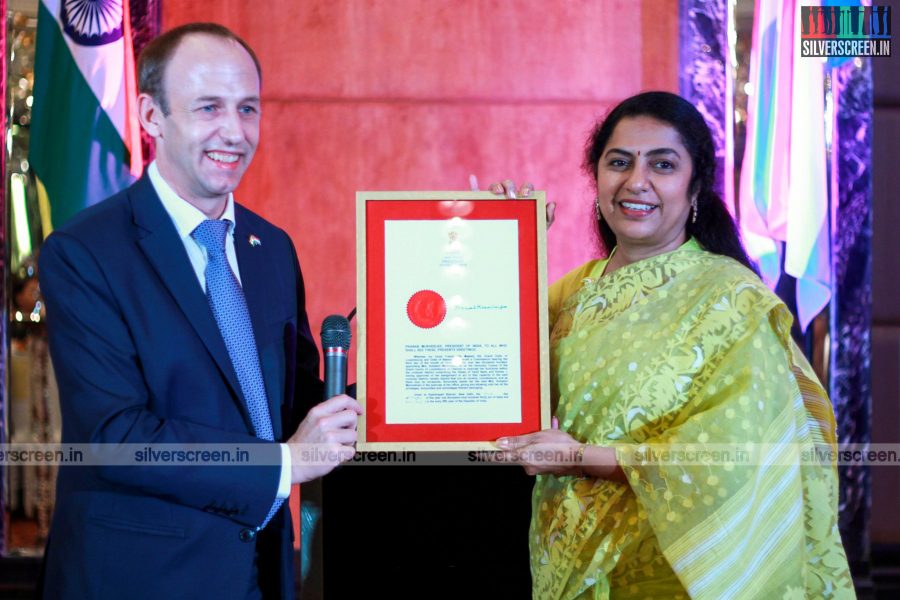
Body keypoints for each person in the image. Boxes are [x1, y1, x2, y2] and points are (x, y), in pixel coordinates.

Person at [37, 23, 361, 599]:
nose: (234, 132)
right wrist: (284, 465)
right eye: (209, 107)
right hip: (142, 579)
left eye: (247, 109)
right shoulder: (85, 252)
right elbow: (118, 435)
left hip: (262, 574)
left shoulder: (272, 248)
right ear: (150, 115)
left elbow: (300, 403)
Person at [495, 91, 854, 599]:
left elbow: (738, 456)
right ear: (595, 180)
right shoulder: (570, 295)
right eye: (618, 162)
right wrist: (499, 251)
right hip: (567, 563)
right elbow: (493, 382)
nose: (635, 181)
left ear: (695, 188)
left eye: (662, 165)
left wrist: (582, 459)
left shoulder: (731, 300)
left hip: (678, 572)